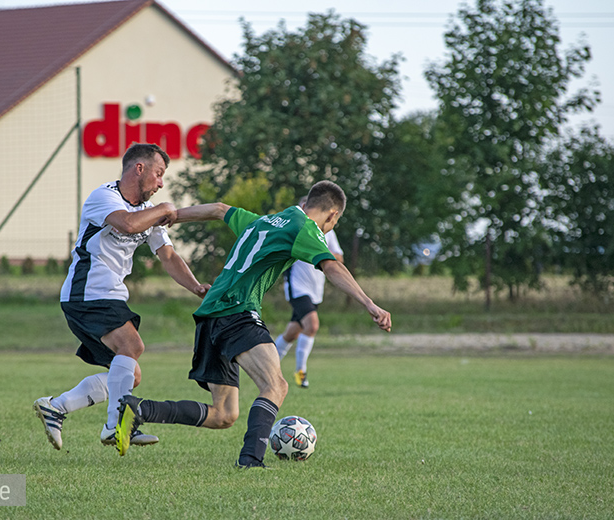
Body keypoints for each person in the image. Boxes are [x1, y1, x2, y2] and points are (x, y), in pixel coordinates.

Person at [115, 180, 391, 468]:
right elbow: (332, 266)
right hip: (237, 309)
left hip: (210, 313)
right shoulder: (303, 227)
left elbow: (220, 210)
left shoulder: (264, 221)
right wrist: (369, 303)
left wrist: (171, 215)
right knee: (276, 385)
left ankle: (139, 409)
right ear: (333, 214)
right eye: (335, 221)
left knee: (224, 414)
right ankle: (250, 462)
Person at [33, 143, 210, 451]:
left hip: (105, 295)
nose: (160, 184)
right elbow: (126, 224)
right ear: (138, 169)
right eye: (158, 174)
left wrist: (196, 288)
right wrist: (164, 210)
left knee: (132, 375)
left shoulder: (147, 212)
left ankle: (57, 407)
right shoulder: (104, 196)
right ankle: (116, 425)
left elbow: (167, 256)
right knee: (132, 346)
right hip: (87, 291)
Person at [274, 196, 344, 388]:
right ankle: (300, 371)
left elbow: (339, 257)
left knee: (292, 332)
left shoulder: (327, 230)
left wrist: (322, 251)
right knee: (312, 325)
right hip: (297, 287)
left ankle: (269, 365)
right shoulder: (297, 228)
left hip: (316, 289)